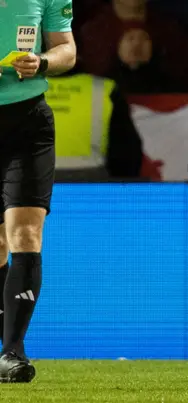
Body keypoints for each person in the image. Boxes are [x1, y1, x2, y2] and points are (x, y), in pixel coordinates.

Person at [0, 0, 77, 383]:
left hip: (29, 121)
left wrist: (42, 63)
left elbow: (67, 49)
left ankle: (12, 351)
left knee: (26, 234)